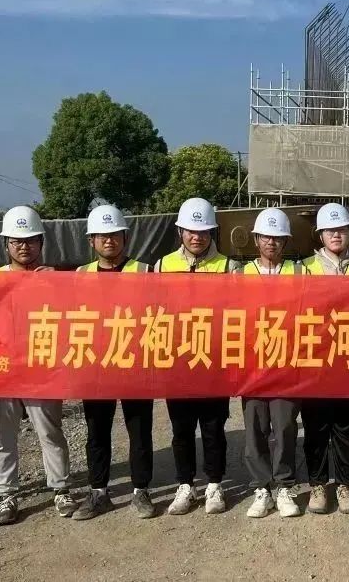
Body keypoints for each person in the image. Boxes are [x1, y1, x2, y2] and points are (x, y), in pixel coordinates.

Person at [0, 206, 76, 525]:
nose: (24, 246)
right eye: (17, 241)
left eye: (31, 240)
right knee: (2, 436)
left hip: (41, 367)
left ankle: (61, 488)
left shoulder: (55, 279)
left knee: (50, 431)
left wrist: (57, 282)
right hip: (0, 369)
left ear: (41, 242)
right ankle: (6, 494)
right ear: (6, 244)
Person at [155, 198, 239, 516]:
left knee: (214, 427)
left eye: (203, 231)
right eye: (191, 231)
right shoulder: (162, 266)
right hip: (178, 360)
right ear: (180, 231)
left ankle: (215, 484)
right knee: (181, 428)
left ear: (212, 232)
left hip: (214, 359)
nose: (197, 237)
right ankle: (186, 485)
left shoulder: (228, 267)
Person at [72, 205, 156, 521]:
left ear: (125, 237)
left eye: (115, 234)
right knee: (97, 430)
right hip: (97, 364)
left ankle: (141, 491)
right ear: (91, 240)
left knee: (140, 429)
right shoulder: (80, 275)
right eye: (102, 235)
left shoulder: (145, 271)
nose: (109, 240)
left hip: (135, 362)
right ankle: (99, 492)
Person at [301, 203, 349, 515]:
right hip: (315, 361)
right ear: (320, 235)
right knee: (315, 427)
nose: (336, 235)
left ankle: (343, 484)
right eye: (330, 230)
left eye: (341, 229)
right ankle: (317, 484)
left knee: (345, 428)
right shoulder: (304, 268)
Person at [241, 207, 304, 519]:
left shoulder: (299, 272)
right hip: (252, 364)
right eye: (266, 236)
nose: (271, 242)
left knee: (284, 427)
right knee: (255, 428)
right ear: (256, 239)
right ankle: (261, 487)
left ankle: (283, 486)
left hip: (287, 364)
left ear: (286, 242)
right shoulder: (240, 274)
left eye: (278, 237)